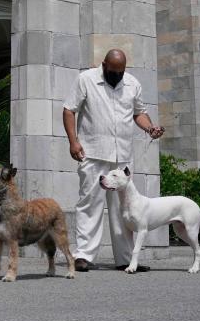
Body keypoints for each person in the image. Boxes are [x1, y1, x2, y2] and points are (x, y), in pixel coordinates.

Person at [61, 48, 165, 273]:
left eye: (121, 71)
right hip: (93, 153)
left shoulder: (132, 83)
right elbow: (69, 110)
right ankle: (83, 256)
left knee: (124, 208)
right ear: (104, 64)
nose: (117, 76)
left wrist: (150, 128)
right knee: (90, 204)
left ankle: (126, 259)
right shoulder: (86, 79)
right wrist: (73, 141)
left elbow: (139, 113)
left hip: (123, 158)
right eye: (113, 71)